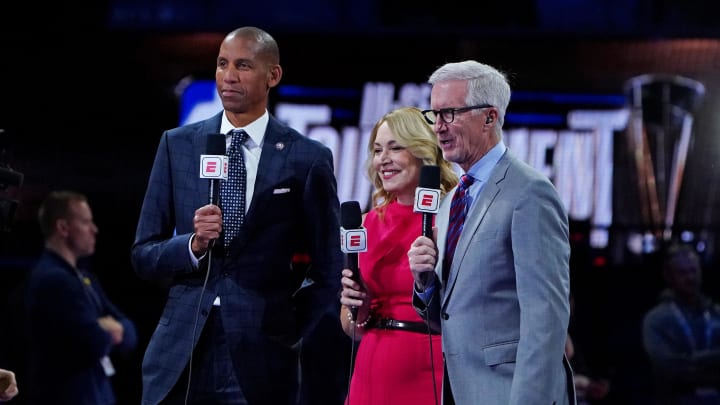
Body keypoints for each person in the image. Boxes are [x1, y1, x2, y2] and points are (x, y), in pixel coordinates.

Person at [131, 26, 343, 405]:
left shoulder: (306, 157)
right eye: (222, 64)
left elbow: (328, 268)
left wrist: (286, 326)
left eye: (243, 65)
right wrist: (193, 244)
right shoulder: (177, 145)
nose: (228, 76)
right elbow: (143, 254)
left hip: (261, 353)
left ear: (273, 75)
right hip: (181, 348)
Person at [406, 60, 576, 405]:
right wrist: (424, 283)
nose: (438, 127)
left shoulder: (530, 192)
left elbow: (546, 319)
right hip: (459, 392)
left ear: (489, 117)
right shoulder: (451, 199)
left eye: (450, 113)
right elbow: (449, 316)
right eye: (434, 114)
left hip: (510, 393)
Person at [339, 106, 458, 404]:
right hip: (371, 369)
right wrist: (358, 308)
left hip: (432, 369)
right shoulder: (366, 223)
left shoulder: (453, 216)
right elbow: (352, 328)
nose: (383, 159)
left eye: (395, 148)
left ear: (422, 151)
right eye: (377, 150)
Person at [25, 190, 138, 405]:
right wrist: (109, 330)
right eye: (86, 222)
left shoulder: (85, 278)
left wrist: (113, 329)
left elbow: (130, 331)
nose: (94, 229)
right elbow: (94, 341)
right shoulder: (53, 280)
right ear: (63, 228)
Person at [642, 243, 720, 405]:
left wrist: (693, 360)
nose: (690, 277)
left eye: (693, 271)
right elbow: (667, 367)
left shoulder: (715, 313)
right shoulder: (655, 319)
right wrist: (712, 361)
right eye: (682, 273)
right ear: (669, 276)